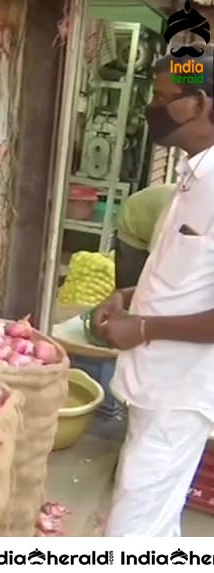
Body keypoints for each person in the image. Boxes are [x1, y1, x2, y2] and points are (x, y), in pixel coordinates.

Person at [93, 47, 214, 536]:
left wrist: (142, 327)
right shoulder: (192, 177)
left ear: (202, 104)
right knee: (153, 518)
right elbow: (183, 273)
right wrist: (128, 294)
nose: (153, 109)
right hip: (156, 383)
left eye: (166, 98)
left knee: (131, 531)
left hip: (180, 391)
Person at [114, 183, 174, 288]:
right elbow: (156, 255)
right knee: (132, 286)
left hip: (155, 218)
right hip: (134, 220)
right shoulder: (176, 213)